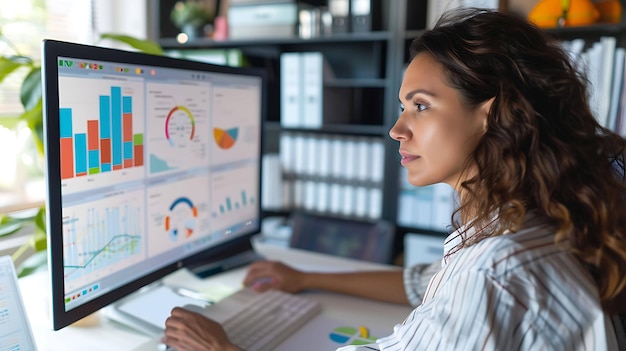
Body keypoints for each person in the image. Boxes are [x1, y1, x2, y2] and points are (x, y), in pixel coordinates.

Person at [162, 8, 626, 350]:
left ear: (493, 113)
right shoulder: (528, 221)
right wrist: (303, 276)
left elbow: (467, 285)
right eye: (403, 107)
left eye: (420, 106)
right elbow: (425, 282)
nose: (397, 129)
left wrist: (222, 350)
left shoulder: (495, 267)